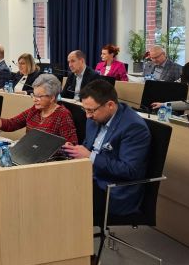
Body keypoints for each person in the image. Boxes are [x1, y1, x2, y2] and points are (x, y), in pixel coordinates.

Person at [62, 79, 151, 223]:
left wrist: (90, 157)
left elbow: (130, 170)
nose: (87, 115)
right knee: (50, 184)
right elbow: (87, 148)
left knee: (61, 200)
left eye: (91, 110)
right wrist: (73, 151)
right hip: (89, 178)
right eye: (85, 110)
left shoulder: (134, 127)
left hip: (112, 190)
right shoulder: (94, 118)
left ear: (110, 105)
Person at [0, 74, 77, 143]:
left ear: (52, 98)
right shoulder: (35, 110)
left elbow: (71, 145)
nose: (34, 99)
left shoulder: (63, 115)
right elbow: (11, 124)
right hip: (30, 154)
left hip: (48, 159)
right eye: (34, 95)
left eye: (39, 96)